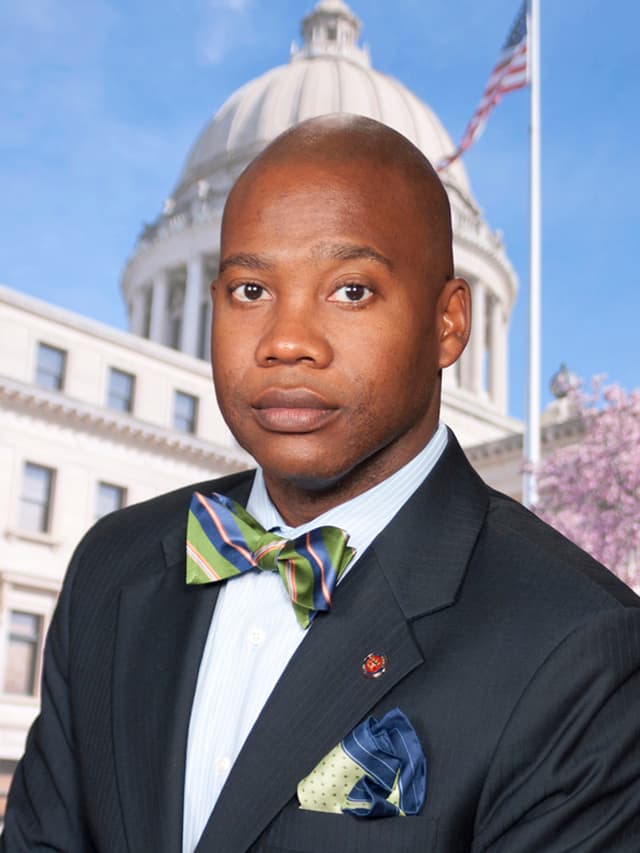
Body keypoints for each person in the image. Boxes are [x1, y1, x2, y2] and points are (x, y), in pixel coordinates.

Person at [3, 114, 640, 852]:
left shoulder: (578, 645)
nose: (286, 341)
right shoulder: (112, 565)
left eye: (350, 290)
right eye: (250, 289)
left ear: (449, 322)